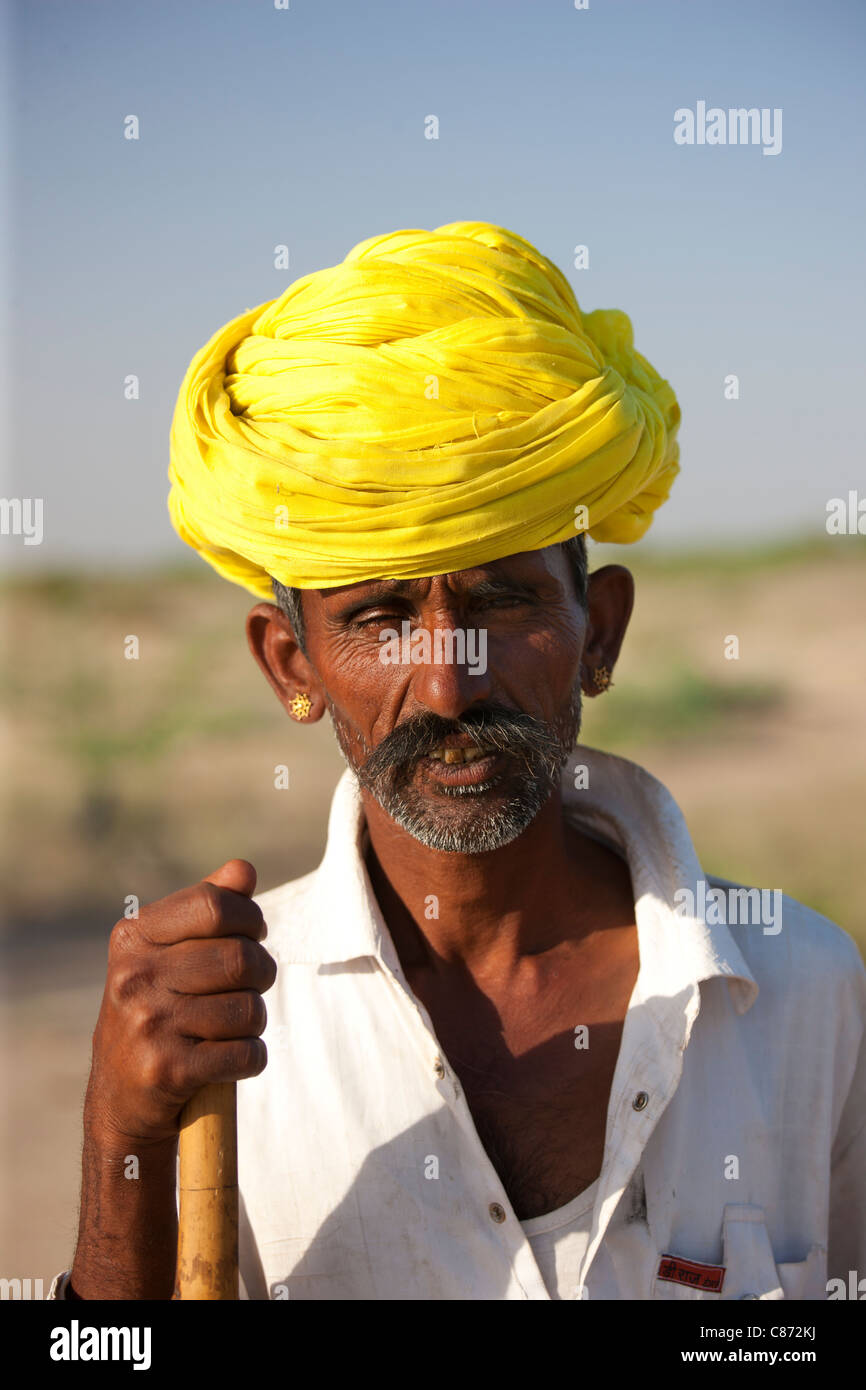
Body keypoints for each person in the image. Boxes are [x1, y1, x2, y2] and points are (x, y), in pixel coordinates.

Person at [52, 223, 865, 1300]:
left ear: (600, 634)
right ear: (290, 663)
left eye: (501, 599)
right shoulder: (224, 1028)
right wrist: (123, 1133)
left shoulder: (804, 992)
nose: (448, 686)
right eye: (383, 616)